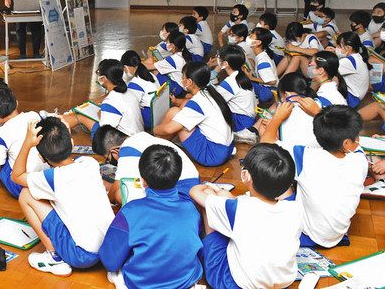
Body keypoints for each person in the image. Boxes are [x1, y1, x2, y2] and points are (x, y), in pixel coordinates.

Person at [12, 118, 115, 276]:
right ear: (72, 143)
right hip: (110, 246)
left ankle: (54, 257)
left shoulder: (51, 178)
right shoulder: (90, 163)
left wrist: (27, 143)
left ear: (41, 156)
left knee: (26, 194)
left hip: (82, 255)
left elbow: (16, 176)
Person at [190, 143, 301, 289]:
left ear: (245, 175)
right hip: (283, 281)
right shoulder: (294, 208)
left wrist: (208, 187)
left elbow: (195, 192)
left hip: (235, 284)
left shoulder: (239, 208)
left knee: (209, 203)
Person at [261, 105, 368, 248]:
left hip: (308, 235)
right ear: (347, 143)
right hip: (336, 235)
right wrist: (317, 112)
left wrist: (277, 118)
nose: (358, 140)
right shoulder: (360, 161)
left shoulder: (306, 156)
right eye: (357, 137)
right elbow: (353, 147)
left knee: (283, 183)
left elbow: (265, 143)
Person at [99, 144, 203, 289]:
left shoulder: (130, 211)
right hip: (185, 281)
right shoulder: (191, 209)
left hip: (143, 283)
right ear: (177, 176)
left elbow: (110, 260)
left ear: (142, 180)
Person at [154, 62, 234, 167]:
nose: (181, 80)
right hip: (227, 149)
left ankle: (155, 144)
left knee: (174, 113)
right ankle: (159, 142)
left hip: (213, 154)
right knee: (182, 106)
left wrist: (154, 129)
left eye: (182, 77)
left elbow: (169, 129)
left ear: (189, 81)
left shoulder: (197, 102)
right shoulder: (210, 92)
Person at [91, 125, 199, 204]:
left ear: (114, 151)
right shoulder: (141, 137)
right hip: (191, 188)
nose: (110, 162)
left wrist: (107, 199)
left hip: (180, 193)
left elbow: (117, 187)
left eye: (108, 159)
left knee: (120, 194)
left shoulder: (127, 147)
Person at [64, 59, 144, 138]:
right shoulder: (130, 93)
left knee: (81, 117)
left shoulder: (110, 101)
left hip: (124, 141)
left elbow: (104, 136)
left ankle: (59, 125)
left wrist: (101, 117)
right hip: (137, 135)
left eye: (99, 73)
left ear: (104, 78)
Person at [214, 45, 258, 144]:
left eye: (219, 58)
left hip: (240, 121)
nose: (217, 60)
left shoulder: (229, 82)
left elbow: (214, 101)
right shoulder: (241, 76)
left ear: (225, 64)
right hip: (248, 119)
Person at [121, 50, 159, 130]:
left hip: (150, 117)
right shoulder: (149, 74)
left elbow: (132, 106)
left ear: (126, 67)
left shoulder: (135, 83)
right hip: (159, 112)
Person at [335, 31, 371, 107]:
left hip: (352, 98)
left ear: (348, 48)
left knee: (325, 76)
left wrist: (326, 54)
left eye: (338, 46)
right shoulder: (357, 56)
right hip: (357, 96)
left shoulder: (348, 61)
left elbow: (327, 70)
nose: (336, 48)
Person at [245, 27, 278, 104]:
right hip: (267, 88)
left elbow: (272, 81)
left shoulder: (262, 60)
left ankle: (255, 98)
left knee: (242, 81)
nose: (248, 37)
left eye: (251, 36)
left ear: (258, 42)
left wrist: (251, 78)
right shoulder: (262, 54)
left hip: (267, 91)